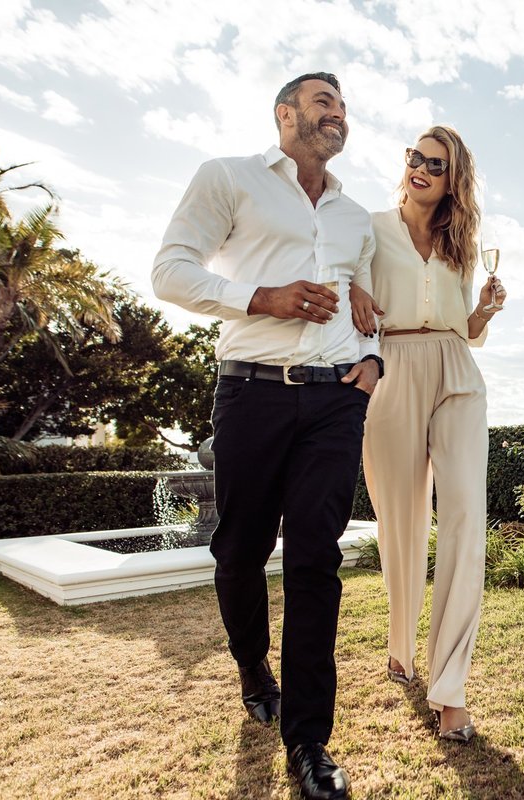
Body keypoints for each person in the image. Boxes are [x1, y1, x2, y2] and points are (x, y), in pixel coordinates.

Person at [152, 72, 381, 800]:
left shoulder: (355, 218)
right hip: (249, 391)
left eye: (342, 107)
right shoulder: (228, 178)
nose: (337, 115)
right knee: (241, 549)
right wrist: (262, 298)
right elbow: (170, 271)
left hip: (335, 403)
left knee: (317, 560)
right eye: (323, 103)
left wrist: (373, 361)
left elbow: (365, 305)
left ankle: (310, 742)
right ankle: (253, 667)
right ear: (285, 114)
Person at [350, 125, 506, 743]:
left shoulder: (461, 243)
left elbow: (460, 327)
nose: (419, 168)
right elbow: (352, 292)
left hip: (457, 371)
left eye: (434, 164)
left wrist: (484, 313)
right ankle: (401, 643)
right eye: (415, 157)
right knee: (401, 521)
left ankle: (450, 690)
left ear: (452, 179)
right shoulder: (368, 228)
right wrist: (356, 291)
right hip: (391, 368)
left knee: (466, 515)